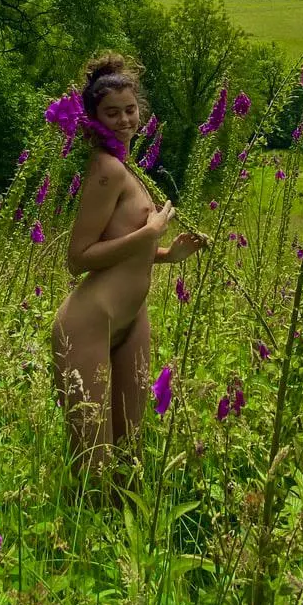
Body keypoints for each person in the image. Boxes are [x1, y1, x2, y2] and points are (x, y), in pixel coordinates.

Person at [52, 53, 202, 474]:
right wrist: (151, 232)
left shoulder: (128, 169)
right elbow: (77, 259)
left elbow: (120, 247)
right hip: (89, 322)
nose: (124, 120)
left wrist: (169, 255)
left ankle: (123, 530)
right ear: (94, 118)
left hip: (132, 317)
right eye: (111, 113)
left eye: (130, 110)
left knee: (129, 450)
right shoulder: (105, 169)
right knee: (93, 463)